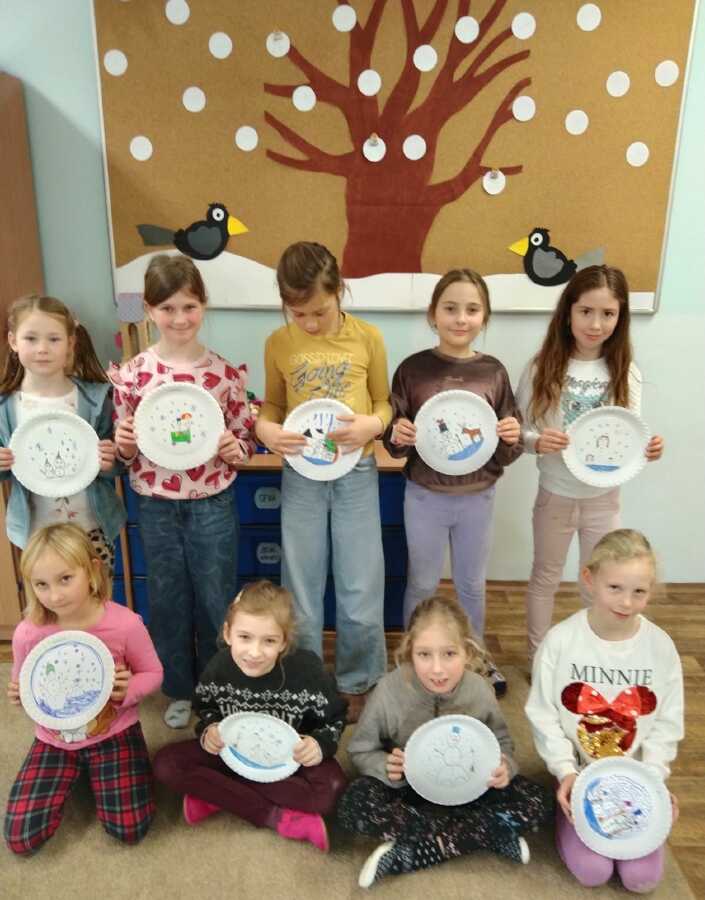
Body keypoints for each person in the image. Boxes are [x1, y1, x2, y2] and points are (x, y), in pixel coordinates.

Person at [111, 254, 256, 729]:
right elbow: (124, 448)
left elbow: (244, 439)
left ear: (204, 306)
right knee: (168, 600)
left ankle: (218, 690)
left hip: (212, 501)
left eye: (189, 306)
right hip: (155, 503)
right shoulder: (134, 374)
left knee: (217, 598)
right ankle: (178, 688)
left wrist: (236, 448)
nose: (179, 318)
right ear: (149, 309)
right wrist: (125, 445)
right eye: (167, 308)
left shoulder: (224, 374)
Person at [254, 241, 392, 721]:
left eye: (320, 311)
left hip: (356, 472)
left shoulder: (368, 338)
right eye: (299, 314)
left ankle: (360, 681)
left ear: (339, 292)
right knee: (301, 584)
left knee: (360, 584)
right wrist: (265, 429)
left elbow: (384, 402)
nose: (310, 324)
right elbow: (272, 405)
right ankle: (305, 679)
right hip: (302, 474)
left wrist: (373, 424)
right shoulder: (279, 343)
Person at [337, 594, 553, 888]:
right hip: (407, 791)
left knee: (538, 799)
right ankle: (485, 833)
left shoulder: (479, 690)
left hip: (470, 787)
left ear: (468, 651)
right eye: (424, 655)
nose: (437, 669)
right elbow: (360, 748)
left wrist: (506, 766)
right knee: (354, 803)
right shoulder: (388, 690)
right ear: (409, 652)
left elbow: (502, 741)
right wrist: (384, 764)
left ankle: (422, 849)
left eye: (449, 654)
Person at [516, 266, 664, 667]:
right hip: (555, 495)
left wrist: (648, 449)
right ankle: (538, 659)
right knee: (545, 577)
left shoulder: (626, 372)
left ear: (620, 317)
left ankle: (593, 658)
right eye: (586, 311)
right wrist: (535, 441)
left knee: (601, 583)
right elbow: (519, 431)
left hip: (604, 500)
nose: (596, 324)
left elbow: (629, 438)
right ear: (568, 312)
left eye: (608, 314)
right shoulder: (541, 367)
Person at [383, 269, 522, 695]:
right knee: (422, 582)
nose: (461, 318)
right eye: (450, 308)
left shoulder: (493, 372)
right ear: (433, 314)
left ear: (485, 317)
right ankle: (413, 657)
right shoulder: (413, 369)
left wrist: (512, 435)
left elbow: (510, 443)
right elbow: (394, 436)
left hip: (477, 496)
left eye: (472, 309)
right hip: (424, 495)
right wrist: (397, 433)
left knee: (471, 583)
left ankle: (475, 658)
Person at [525, 529, 683, 893]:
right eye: (615, 588)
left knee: (642, 879)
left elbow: (667, 721)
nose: (626, 602)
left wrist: (654, 778)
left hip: (635, 778)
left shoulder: (661, 647)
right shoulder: (561, 641)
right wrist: (565, 770)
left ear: (651, 590)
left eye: (639, 591)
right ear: (589, 579)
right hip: (579, 775)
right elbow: (544, 714)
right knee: (592, 871)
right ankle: (562, 808)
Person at [152, 579, 348, 852]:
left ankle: (217, 793)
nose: (254, 652)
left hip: (287, 761)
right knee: (166, 764)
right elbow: (205, 707)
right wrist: (209, 729)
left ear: (284, 642)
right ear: (228, 633)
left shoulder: (307, 669)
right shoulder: (219, 666)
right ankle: (274, 816)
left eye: (269, 641)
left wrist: (319, 743)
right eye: (245, 637)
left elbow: (335, 717)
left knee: (332, 790)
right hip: (233, 754)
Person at [4, 523, 163, 854]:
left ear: (91, 570)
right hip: (54, 739)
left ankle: (97, 774)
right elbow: (25, 683)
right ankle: (76, 773)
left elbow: (153, 673)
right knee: (20, 836)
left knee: (129, 829)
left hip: (115, 732)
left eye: (65, 578)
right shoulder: (28, 633)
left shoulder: (124, 624)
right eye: (41, 584)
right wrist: (20, 695)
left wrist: (129, 690)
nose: (55, 595)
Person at [0, 294, 125, 569]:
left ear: (71, 343)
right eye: (31, 338)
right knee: (47, 594)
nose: (42, 349)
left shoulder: (94, 399)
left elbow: (117, 463)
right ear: (13, 341)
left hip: (92, 530)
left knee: (97, 595)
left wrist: (110, 461)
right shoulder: (5, 407)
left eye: (54, 339)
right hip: (36, 535)